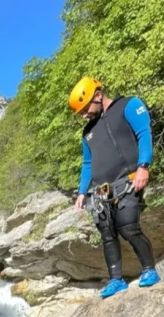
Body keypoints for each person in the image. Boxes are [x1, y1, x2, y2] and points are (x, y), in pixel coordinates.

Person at [69, 77, 161, 298]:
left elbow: (144, 134)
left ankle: (149, 270)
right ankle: (116, 280)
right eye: (81, 112)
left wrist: (144, 166)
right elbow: (88, 163)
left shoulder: (129, 105)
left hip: (128, 179)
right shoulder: (88, 132)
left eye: (85, 109)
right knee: (107, 233)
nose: (84, 115)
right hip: (101, 191)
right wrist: (82, 192)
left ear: (98, 95)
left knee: (128, 226)